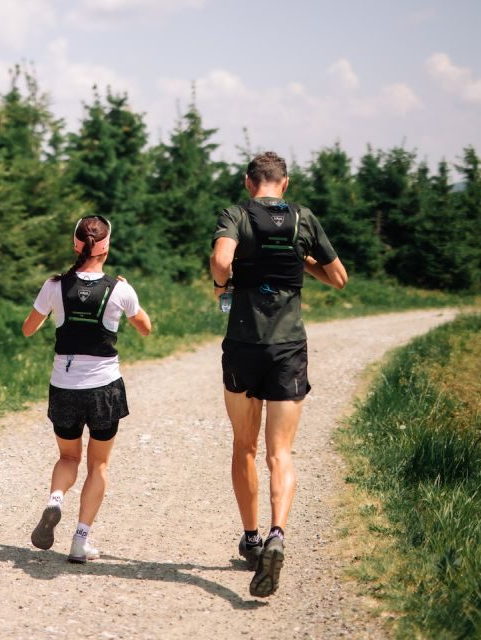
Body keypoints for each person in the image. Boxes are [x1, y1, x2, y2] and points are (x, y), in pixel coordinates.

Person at [210, 151, 348, 597]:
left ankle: (250, 538)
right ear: (283, 184)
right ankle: (277, 534)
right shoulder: (303, 218)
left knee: (243, 447)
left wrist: (223, 284)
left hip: (244, 345)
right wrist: (300, 259)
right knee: (280, 453)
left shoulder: (236, 214)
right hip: (289, 346)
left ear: (249, 182)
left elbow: (220, 262)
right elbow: (339, 278)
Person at [23, 215, 152, 563]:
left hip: (63, 386)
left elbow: (28, 329)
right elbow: (145, 328)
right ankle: (80, 541)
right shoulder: (119, 289)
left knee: (68, 457)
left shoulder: (54, 286)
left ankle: (55, 500)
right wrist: (127, 300)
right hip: (104, 389)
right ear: (106, 246)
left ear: (75, 245)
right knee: (99, 466)